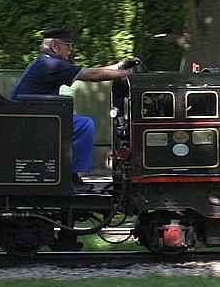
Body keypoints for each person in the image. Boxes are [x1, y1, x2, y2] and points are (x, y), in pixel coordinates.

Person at [11, 25, 139, 178]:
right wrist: (129, 73)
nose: (71, 49)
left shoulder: (45, 62)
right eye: (68, 45)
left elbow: (89, 71)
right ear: (54, 46)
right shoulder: (51, 65)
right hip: (33, 120)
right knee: (84, 125)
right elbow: (92, 75)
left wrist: (120, 66)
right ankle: (71, 176)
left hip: (32, 117)